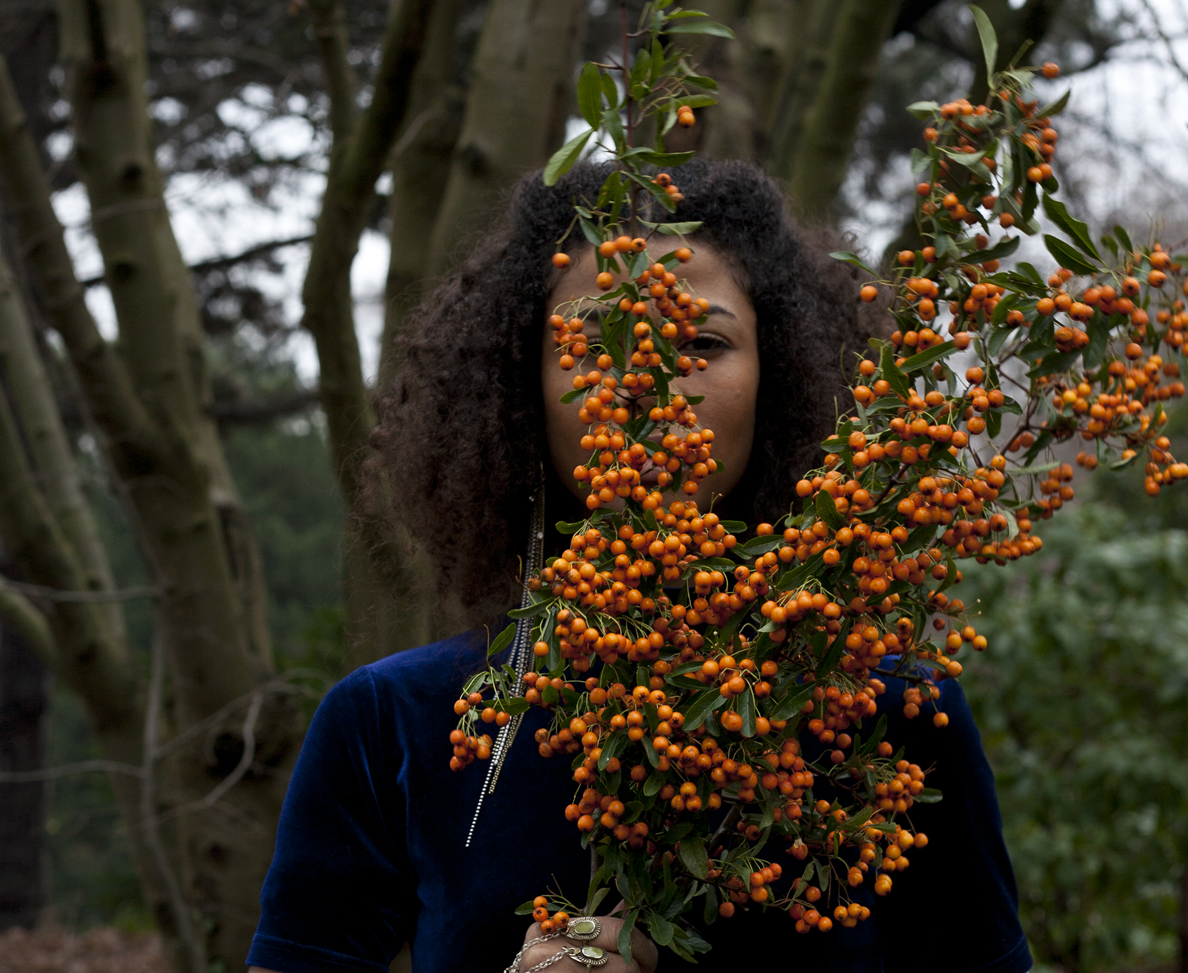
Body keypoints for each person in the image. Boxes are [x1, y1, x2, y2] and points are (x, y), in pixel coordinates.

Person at [246, 160, 1033, 973]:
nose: (649, 383)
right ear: (521, 385)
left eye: (701, 341)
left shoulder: (889, 715)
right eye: (597, 340)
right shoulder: (392, 726)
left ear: (781, 376)